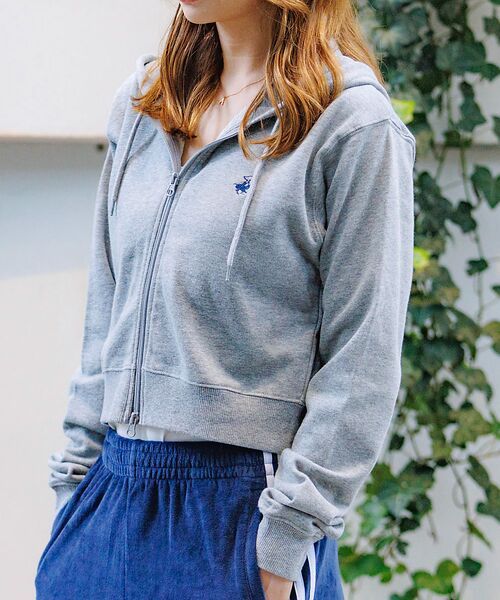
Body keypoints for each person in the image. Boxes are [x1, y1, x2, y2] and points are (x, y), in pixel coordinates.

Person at [35, 1, 416, 599]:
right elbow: (105, 313)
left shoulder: (350, 123)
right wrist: (75, 491)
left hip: (242, 511)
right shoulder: (144, 105)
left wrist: (284, 545)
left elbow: (362, 359)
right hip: (109, 493)